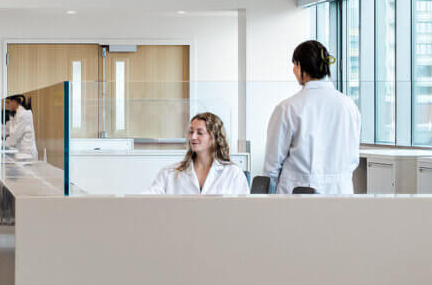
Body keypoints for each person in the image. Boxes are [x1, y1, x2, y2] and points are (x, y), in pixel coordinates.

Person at [262, 39, 362, 195]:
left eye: (295, 65)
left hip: (298, 192)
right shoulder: (349, 106)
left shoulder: (288, 108)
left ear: (301, 67)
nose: (294, 71)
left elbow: (272, 165)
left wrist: (266, 198)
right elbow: (353, 158)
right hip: (340, 191)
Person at [147, 112, 249, 195]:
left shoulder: (233, 173)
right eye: (191, 132)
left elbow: (244, 210)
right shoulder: (169, 173)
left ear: (214, 138)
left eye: (200, 133)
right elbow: (147, 199)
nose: (193, 137)